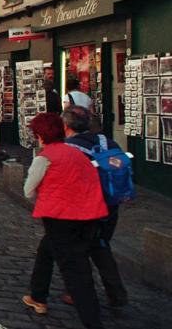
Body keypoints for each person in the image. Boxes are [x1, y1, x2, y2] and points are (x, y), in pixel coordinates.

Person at [22, 112, 108, 328]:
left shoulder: (45, 157)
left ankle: (93, 321)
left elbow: (28, 190)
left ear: (41, 135)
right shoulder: (77, 154)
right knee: (46, 250)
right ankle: (38, 295)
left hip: (62, 217)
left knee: (74, 270)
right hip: (90, 215)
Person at [61, 106, 128, 307]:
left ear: (66, 126)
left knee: (78, 250)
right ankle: (116, 293)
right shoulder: (106, 141)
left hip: (85, 205)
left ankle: (80, 293)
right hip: (111, 204)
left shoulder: (69, 147)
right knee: (100, 246)